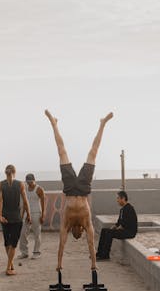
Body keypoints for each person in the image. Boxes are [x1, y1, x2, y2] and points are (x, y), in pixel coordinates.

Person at [45, 110, 113, 271]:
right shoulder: (86, 223)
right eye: (79, 234)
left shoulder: (66, 224)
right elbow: (91, 242)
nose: (77, 234)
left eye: (75, 234)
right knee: (93, 153)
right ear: (81, 231)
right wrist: (94, 264)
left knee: (62, 152)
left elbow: (62, 242)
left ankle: (53, 123)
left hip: (69, 189)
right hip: (82, 189)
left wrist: (59, 264)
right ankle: (102, 123)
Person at [0, 164, 31, 275]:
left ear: (5, 173)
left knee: (7, 243)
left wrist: (0, 216)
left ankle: (11, 265)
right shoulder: (20, 184)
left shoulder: (0, 185)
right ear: (14, 173)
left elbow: (0, 201)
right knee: (13, 244)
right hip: (16, 219)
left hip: (5, 218)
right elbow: (25, 202)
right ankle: (8, 268)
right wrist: (28, 215)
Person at [96, 191, 138, 260]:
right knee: (104, 230)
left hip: (129, 232)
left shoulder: (129, 208)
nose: (117, 200)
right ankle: (99, 253)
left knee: (109, 233)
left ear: (123, 198)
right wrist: (114, 227)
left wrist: (117, 229)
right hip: (124, 230)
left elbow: (126, 223)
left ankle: (105, 255)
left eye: (118, 198)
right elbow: (119, 222)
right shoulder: (122, 209)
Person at [19, 173, 45, 259]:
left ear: (34, 180)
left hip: (37, 213)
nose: (29, 183)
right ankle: (24, 252)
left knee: (37, 233)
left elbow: (43, 203)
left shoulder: (39, 189)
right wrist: (22, 215)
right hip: (27, 213)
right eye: (28, 181)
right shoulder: (25, 189)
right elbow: (23, 204)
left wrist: (43, 215)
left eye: (31, 181)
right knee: (23, 233)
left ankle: (37, 252)